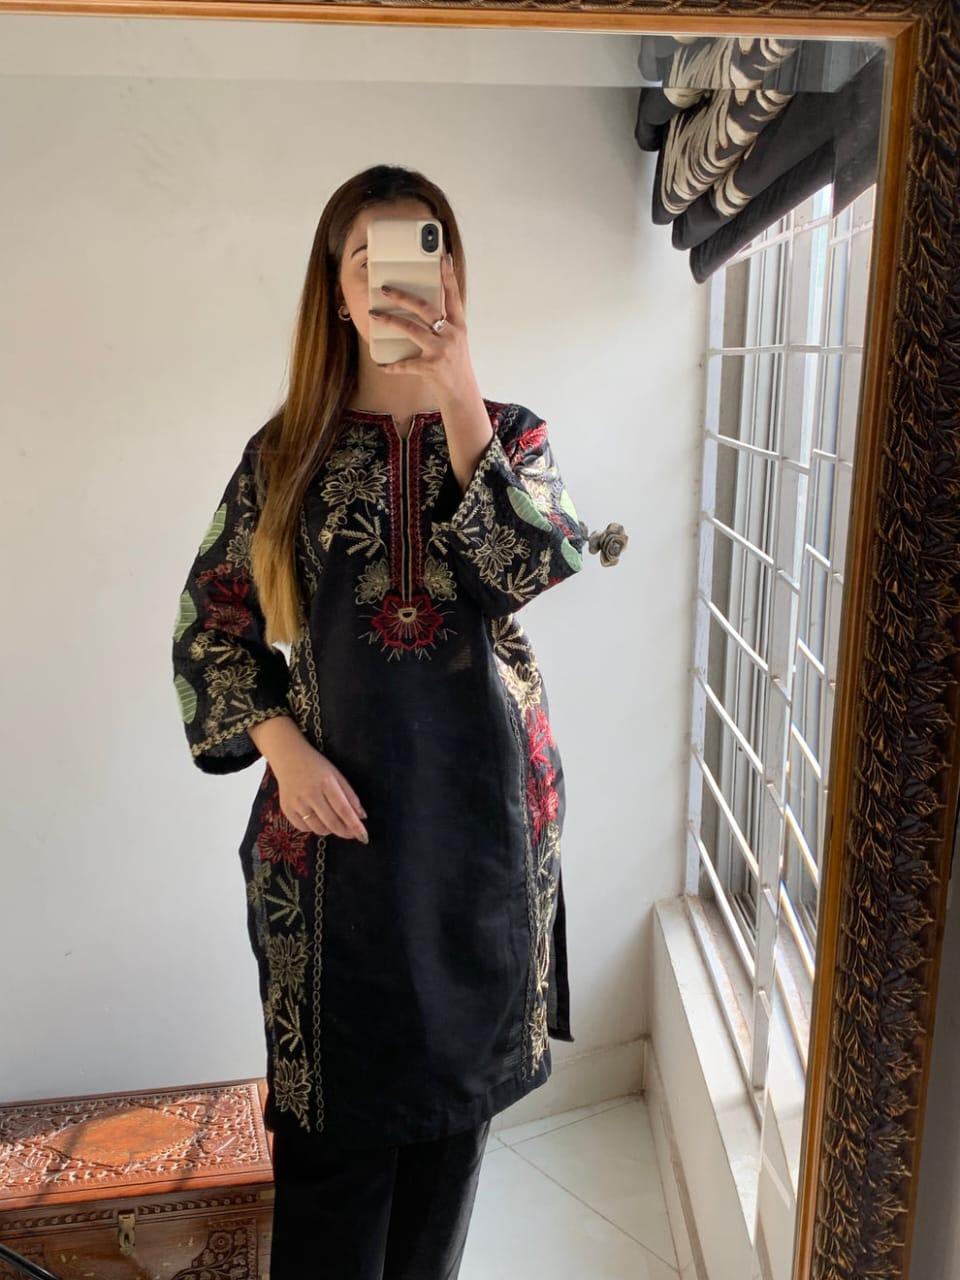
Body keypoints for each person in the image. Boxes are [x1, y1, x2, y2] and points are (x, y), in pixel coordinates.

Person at [171, 163, 587, 1278]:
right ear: (338, 288)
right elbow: (211, 628)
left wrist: (459, 391)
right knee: (333, 1151)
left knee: (450, 1145)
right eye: (373, 258)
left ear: (454, 272)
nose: (402, 278)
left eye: (427, 249)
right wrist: (284, 749)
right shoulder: (286, 454)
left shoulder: (510, 433)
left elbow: (524, 570)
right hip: (332, 849)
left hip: (484, 835)